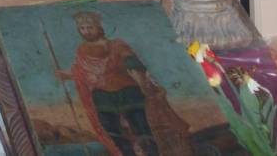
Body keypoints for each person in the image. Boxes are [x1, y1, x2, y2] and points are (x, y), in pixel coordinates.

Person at [56, 12, 189, 156]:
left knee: (142, 130)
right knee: (115, 135)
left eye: (90, 27)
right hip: (102, 97)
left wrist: (144, 85)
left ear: (98, 27)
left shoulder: (116, 45)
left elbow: (133, 64)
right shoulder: (82, 51)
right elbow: (83, 72)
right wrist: (68, 75)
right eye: (82, 28)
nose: (86, 31)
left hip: (127, 92)